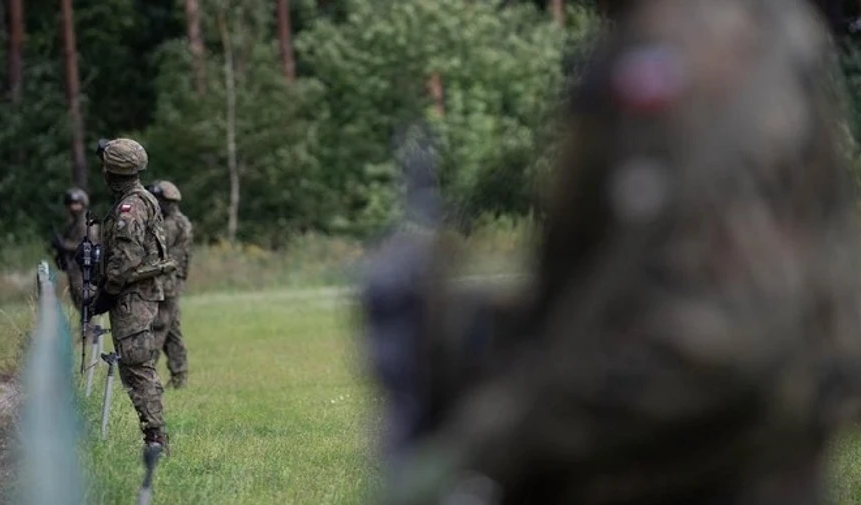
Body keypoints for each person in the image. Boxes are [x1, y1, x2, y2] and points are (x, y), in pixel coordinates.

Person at [361, 0, 861, 503]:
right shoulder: (708, 33)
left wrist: (490, 444)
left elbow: (717, 338)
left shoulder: (695, 46)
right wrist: (468, 334)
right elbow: (633, 282)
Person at [90, 138, 174, 453]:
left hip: (133, 298)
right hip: (134, 296)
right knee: (134, 366)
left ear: (111, 171)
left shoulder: (132, 205)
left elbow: (126, 255)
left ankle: (156, 440)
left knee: (138, 367)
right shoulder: (134, 199)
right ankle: (154, 436)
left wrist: (108, 291)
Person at [146, 180, 193, 389]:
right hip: (173, 282)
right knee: (172, 331)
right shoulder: (182, 222)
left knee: (158, 327)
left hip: (165, 284)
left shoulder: (169, 225)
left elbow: (156, 254)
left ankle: (147, 376)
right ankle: (179, 376)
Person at [50, 188, 90, 307]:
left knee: (85, 302)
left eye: (77, 204)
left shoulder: (86, 223)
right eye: (71, 204)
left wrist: (65, 245)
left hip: (84, 269)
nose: (73, 208)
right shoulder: (72, 224)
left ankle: (88, 325)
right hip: (73, 268)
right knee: (77, 300)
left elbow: (88, 244)